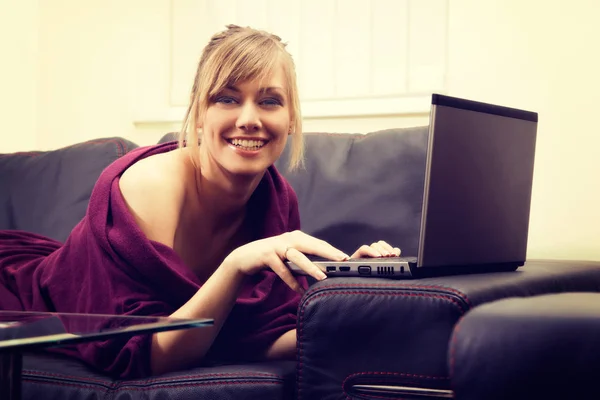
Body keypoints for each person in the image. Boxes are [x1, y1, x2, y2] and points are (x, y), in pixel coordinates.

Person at [0, 25, 400, 378]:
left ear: (291, 118)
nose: (249, 119)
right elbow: (151, 355)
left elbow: (244, 339)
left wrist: (352, 290)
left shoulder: (277, 200)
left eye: (270, 101)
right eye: (226, 98)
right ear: (198, 114)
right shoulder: (151, 185)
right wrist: (236, 265)